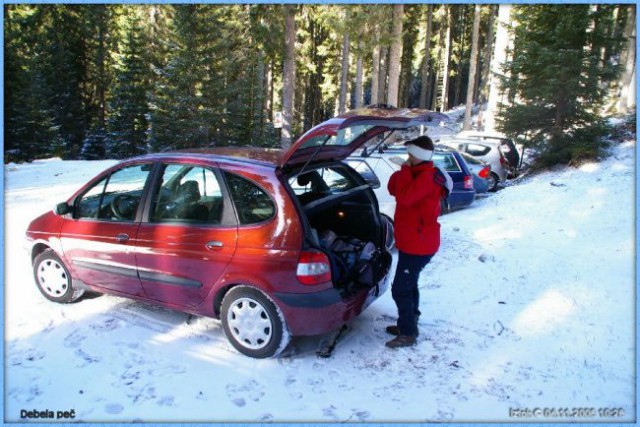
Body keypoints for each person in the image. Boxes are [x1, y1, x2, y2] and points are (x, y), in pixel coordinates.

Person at [385, 135, 451, 349]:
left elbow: (405, 198)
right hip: (413, 241)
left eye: (410, 155)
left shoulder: (427, 178)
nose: (408, 158)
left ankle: (408, 332)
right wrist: (402, 171)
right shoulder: (416, 174)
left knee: (401, 289)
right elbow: (393, 189)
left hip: (419, 244)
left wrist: (404, 171)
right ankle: (409, 321)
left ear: (419, 156)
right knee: (409, 284)